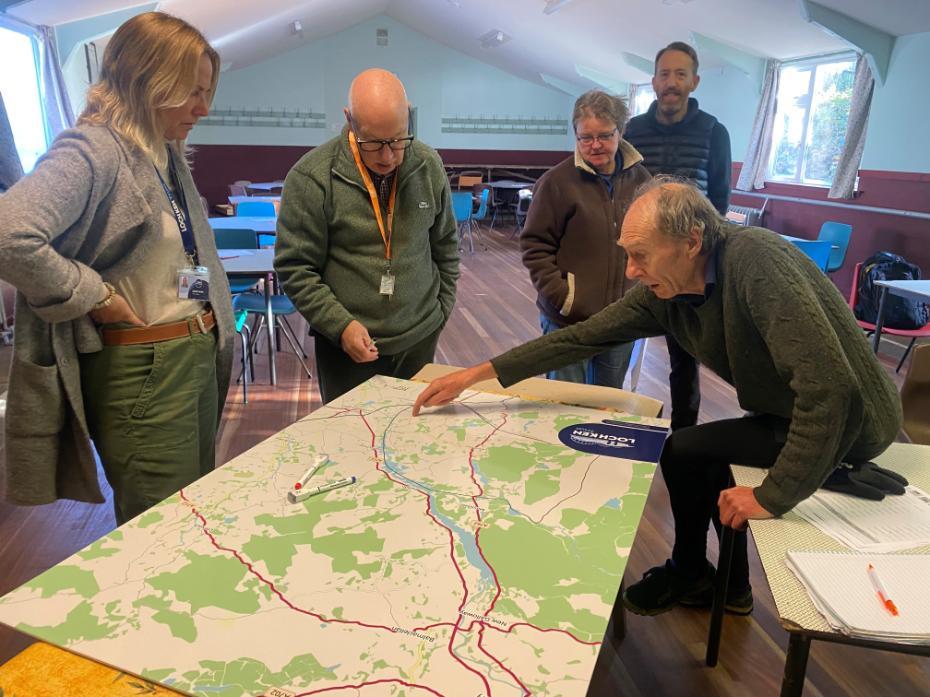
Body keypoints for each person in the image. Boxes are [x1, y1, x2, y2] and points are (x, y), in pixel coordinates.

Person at [412, 177, 902, 617]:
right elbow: (581, 337)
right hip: (791, 412)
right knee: (697, 455)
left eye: (640, 255)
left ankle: (702, 574)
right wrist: (474, 375)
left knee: (689, 452)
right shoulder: (667, 290)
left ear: (691, 242)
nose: (629, 271)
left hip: (853, 423)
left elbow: (832, 391)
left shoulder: (756, 260)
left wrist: (774, 495)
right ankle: (721, 585)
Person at [0, 12, 234, 526]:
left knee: (193, 515)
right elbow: (9, 234)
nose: (203, 108)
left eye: (206, 91)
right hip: (146, 368)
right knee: (162, 527)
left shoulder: (164, 152)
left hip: (192, 354)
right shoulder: (96, 147)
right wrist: (94, 295)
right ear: (148, 80)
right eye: (191, 92)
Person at [274, 69, 459, 404]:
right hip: (346, 349)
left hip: (420, 337)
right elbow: (295, 269)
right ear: (349, 119)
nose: (387, 157)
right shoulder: (312, 177)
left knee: (413, 442)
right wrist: (340, 325)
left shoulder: (428, 165)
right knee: (353, 448)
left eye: (398, 140)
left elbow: (445, 245)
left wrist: (440, 311)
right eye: (373, 143)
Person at [624, 41, 732, 431]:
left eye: (680, 74)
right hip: (641, 255)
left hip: (690, 262)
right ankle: (610, 420)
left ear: (694, 81)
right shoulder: (632, 130)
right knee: (617, 337)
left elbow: (720, 197)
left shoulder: (713, 132)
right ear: (653, 81)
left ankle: (682, 438)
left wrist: (703, 256)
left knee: (685, 356)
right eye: (665, 74)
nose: (671, 82)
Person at [520, 90, 650, 388]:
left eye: (604, 136)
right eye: (584, 138)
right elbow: (534, 246)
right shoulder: (555, 183)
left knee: (607, 407)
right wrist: (563, 297)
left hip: (621, 320)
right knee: (562, 407)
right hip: (568, 322)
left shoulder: (641, 180)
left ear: (621, 132)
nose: (594, 146)